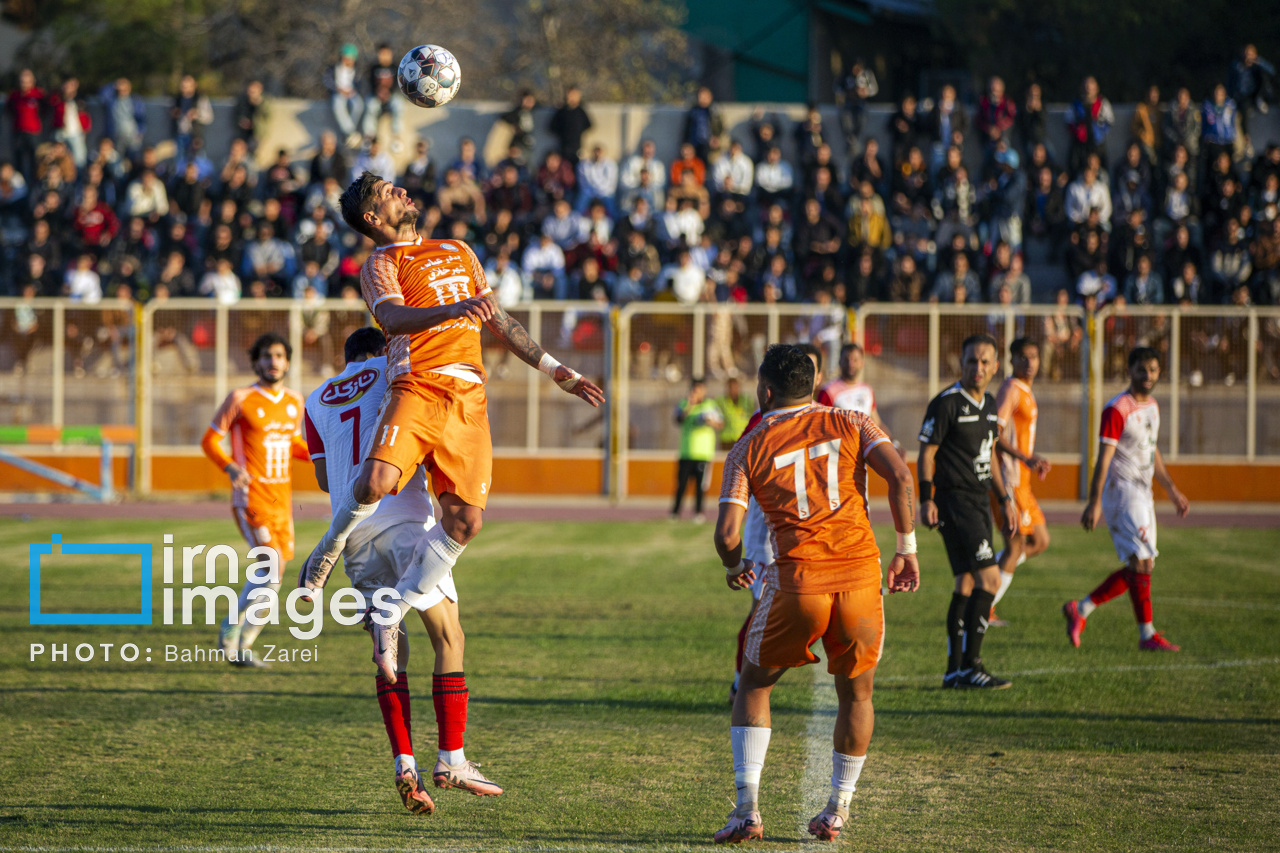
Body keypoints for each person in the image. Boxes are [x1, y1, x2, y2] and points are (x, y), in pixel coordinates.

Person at [298, 172, 604, 682]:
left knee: (466, 523)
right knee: (374, 482)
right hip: (416, 384)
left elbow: (501, 322)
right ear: (373, 219)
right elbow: (393, 319)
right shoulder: (380, 263)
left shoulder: (459, 249)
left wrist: (557, 370)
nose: (401, 192)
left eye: (397, 186)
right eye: (388, 193)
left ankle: (392, 609)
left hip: (469, 397)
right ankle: (329, 548)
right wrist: (456, 308)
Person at [712, 344, 918, 844]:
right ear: (814, 381)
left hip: (798, 581)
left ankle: (747, 810)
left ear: (765, 391)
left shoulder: (748, 445)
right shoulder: (854, 420)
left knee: (755, 685)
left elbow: (726, 535)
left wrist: (736, 567)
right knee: (857, 693)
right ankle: (837, 809)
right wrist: (906, 548)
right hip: (861, 578)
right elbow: (901, 475)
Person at [304, 327, 501, 814]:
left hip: (353, 537)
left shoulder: (314, 399)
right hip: (407, 522)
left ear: (345, 357)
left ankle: (404, 766)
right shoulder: (400, 371)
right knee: (449, 638)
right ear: (381, 351)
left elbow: (325, 477)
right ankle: (451, 758)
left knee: (394, 655)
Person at [1064, 347, 1190, 652]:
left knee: (1143, 565)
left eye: (1153, 370)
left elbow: (1152, 451)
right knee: (1142, 562)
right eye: (1141, 369)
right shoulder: (1117, 409)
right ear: (1129, 371)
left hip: (1143, 492)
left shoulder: (1153, 407)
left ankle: (1080, 610)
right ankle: (1146, 635)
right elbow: (1103, 459)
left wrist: (1171, 489)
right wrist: (1094, 502)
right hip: (1122, 493)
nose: (1147, 376)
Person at [200, 332, 311, 666]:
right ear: (256, 362)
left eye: (278, 355)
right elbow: (209, 440)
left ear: (287, 362)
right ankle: (231, 626)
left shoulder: (294, 401)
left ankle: (244, 644)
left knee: (274, 578)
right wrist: (230, 468)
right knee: (271, 564)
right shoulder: (241, 398)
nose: (272, 362)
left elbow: (294, 445)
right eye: (266, 356)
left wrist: (325, 455)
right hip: (252, 497)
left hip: (282, 500)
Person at [918, 333, 1018, 689]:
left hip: (979, 501)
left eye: (985, 361)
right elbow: (927, 453)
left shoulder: (990, 404)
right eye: (971, 360)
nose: (978, 367)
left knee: (966, 582)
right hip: (955, 501)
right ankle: (974, 666)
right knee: (990, 579)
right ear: (960, 363)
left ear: (994, 366)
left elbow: (989, 454)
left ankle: (955, 670)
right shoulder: (946, 404)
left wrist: (1005, 500)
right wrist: (926, 499)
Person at [987, 338, 1053, 627]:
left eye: (1034, 356)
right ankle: (984, 609)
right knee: (1014, 547)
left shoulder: (1025, 390)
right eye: (1023, 357)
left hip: (1022, 482)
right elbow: (994, 434)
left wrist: (1030, 461)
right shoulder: (1011, 388)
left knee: (1039, 541)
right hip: (1009, 481)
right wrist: (1024, 458)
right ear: (1012, 360)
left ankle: (988, 581)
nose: (1030, 362)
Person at [672, 377, 722, 521]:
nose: (697, 392)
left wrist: (710, 421)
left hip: (703, 453)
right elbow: (678, 419)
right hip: (686, 452)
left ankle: (698, 513)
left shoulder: (711, 405)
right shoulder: (684, 404)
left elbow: (720, 423)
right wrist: (690, 405)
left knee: (700, 487)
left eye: (699, 390)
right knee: (681, 485)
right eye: (694, 389)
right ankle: (675, 513)